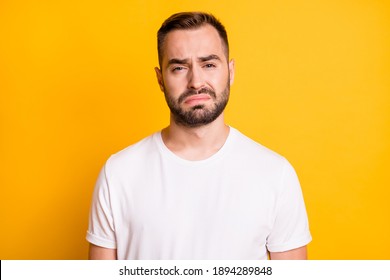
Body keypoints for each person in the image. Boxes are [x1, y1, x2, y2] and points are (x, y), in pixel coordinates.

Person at [86, 11, 312, 260]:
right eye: (179, 67)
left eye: (209, 65)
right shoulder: (118, 173)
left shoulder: (275, 174)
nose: (196, 81)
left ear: (231, 71)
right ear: (160, 79)